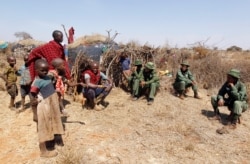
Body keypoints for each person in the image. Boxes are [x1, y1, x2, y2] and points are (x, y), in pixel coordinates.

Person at [30, 59, 64, 158]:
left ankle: (53, 140)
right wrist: (35, 114)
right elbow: (32, 98)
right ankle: (43, 151)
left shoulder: (47, 77)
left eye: (46, 70)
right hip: (44, 106)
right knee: (43, 127)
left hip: (51, 105)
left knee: (53, 121)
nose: (45, 72)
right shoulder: (37, 82)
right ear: (36, 70)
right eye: (42, 70)